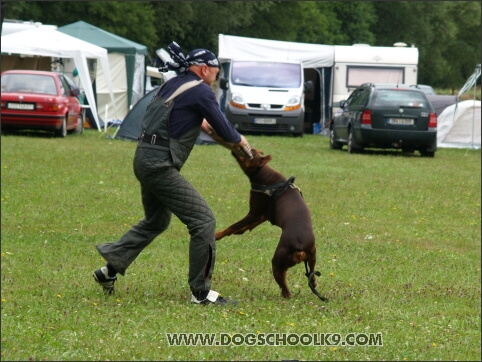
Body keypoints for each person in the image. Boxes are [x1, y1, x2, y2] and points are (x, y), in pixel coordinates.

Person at [93, 41, 253, 305]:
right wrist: (242, 144)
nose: (217, 76)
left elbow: (187, 118)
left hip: (143, 159)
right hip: (159, 165)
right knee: (203, 221)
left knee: (156, 221)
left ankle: (108, 271)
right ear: (203, 69)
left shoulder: (172, 84)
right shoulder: (201, 91)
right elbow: (224, 129)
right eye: (216, 71)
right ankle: (201, 293)